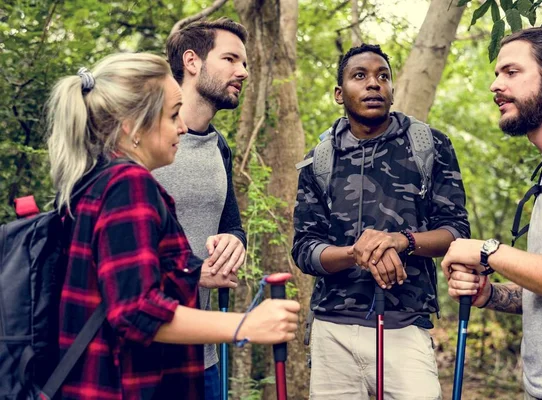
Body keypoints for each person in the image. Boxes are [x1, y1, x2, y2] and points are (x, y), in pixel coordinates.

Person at [47, 52, 300, 400]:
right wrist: (247, 324)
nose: (182, 127)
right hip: (126, 386)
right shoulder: (128, 185)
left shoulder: (92, 181)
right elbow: (136, 310)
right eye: (172, 115)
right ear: (132, 126)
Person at [291, 43, 470, 399]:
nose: (374, 84)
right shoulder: (320, 160)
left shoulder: (429, 146)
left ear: (391, 89)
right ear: (339, 94)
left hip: (405, 326)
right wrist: (356, 254)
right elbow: (304, 248)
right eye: (360, 76)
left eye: (382, 76)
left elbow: (456, 233)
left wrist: (401, 241)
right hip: (333, 330)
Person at [441, 27, 542, 399]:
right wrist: (490, 294)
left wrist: (485, 250)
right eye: (496, 74)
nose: (496, 85)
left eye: (511, 73)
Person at [153, 18, 248, 399]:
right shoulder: (144, 142)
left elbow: (232, 226)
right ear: (192, 61)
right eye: (231, 58)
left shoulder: (218, 147)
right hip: (140, 354)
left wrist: (233, 243)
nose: (243, 71)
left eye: (244, 62)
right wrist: (194, 273)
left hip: (202, 355)